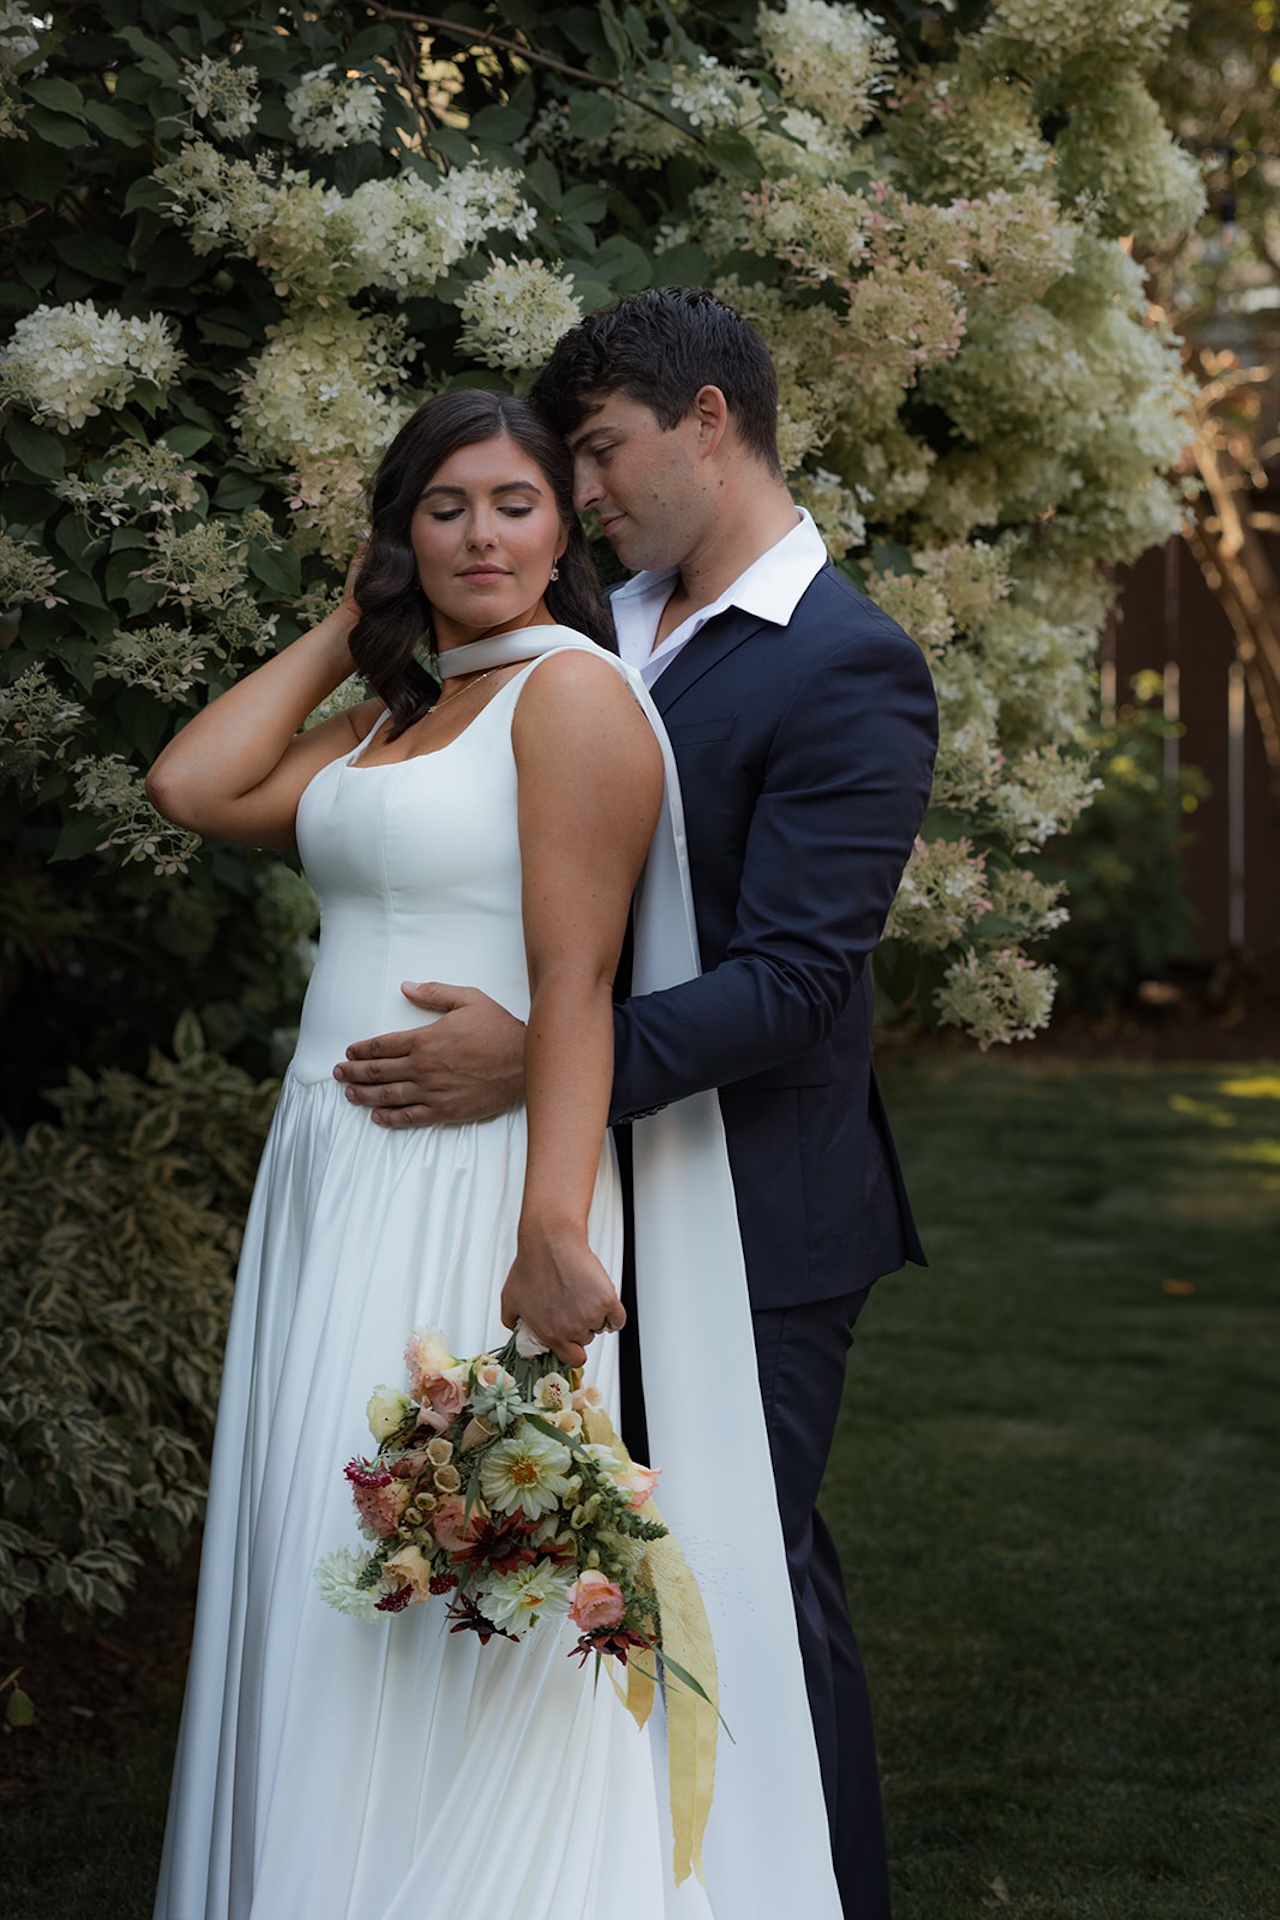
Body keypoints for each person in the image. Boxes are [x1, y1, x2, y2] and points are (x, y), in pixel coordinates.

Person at [145, 387, 842, 1920]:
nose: (480, 532)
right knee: (317, 1548)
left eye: (516, 502)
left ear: (561, 533)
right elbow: (194, 787)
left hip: (472, 1183)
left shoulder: (570, 697)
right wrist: (353, 622)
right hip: (333, 1173)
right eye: (443, 505)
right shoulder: (406, 709)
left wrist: (551, 1229)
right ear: (401, 532)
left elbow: (579, 986)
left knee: (445, 1555)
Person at [332, 289, 939, 1920]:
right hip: (578, 1194)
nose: (579, 492)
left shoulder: (850, 667)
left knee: (739, 1588)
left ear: (712, 421)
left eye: (599, 453)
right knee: (585, 1584)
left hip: (759, 1212)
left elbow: (796, 984)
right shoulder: (609, 627)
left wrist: (533, 1059)